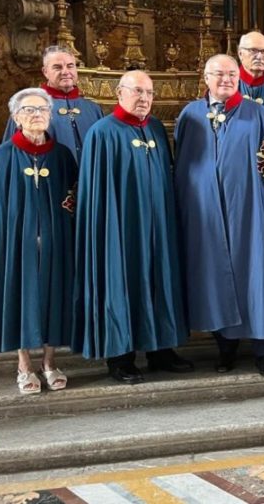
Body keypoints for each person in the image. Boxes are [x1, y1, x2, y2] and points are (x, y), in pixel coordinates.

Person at [74, 71, 192, 384]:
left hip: (158, 225)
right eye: (137, 92)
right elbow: (97, 192)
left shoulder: (154, 127)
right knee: (122, 283)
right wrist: (110, 229)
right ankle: (121, 357)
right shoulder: (103, 132)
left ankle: (161, 350)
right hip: (121, 228)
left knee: (159, 280)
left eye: (149, 93)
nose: (144, 99)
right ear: (120, 93)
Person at [174, 54, 264, 376]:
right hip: (205, 215)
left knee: (255, 276)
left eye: (232, 74)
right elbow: (182, 167)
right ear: (205, 77)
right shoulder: (190, 115)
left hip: (249, 212)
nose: (226, 79)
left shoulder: (256, 112)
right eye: (218, 74)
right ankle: (225, 349)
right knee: (213, 276)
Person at [0, 88, 77, 394]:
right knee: (22, 296)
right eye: (28, 110)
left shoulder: (63, 155)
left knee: (53, 297)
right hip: (17, 242)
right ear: (15, 118)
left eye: (42, 110)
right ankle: (24, 364)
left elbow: (72, 197)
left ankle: (50, 362)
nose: (36, 115)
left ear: (50, 116)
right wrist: (16, 235)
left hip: (56, 240)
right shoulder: (3, 155)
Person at [3, 46, 104, 161]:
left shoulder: (93, 109)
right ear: (45, 72)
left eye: (70, 66)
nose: (65, 72)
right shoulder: (26, 109)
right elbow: (9, 157)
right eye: (57, 67)